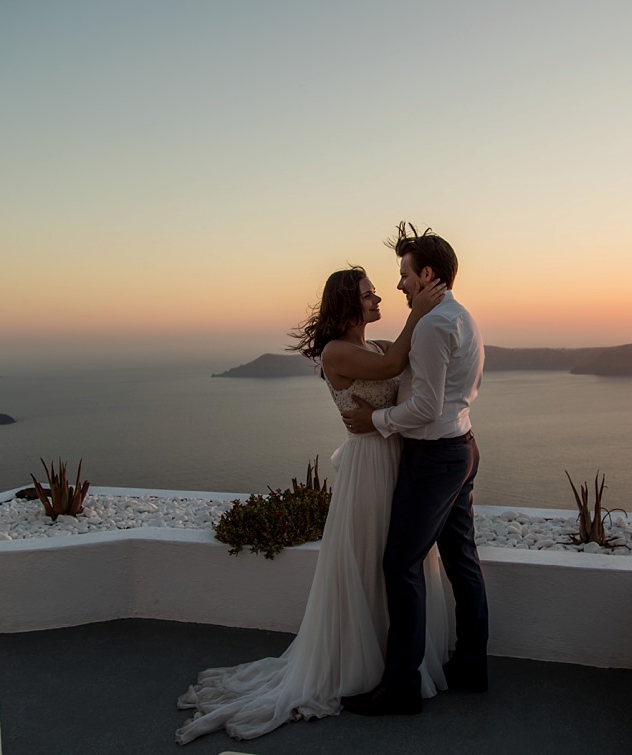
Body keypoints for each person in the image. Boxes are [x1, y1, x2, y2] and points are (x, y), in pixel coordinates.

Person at [173, 266, 454, 743]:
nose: (377, 298)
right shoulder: (337, 352)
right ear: (347, 303)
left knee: (399, 561)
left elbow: (405, 370)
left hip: (396, 461)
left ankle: (398, 660)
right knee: (369, 559)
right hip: (368, 468)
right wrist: (421, 312)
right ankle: (361, 668)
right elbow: (391, 371)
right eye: (368, 295)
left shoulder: (377, 345)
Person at [338, 223, 492, 717]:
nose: (400, 285)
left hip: (433, 459)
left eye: (404, 275)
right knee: (462, 561)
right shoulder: (462, 316)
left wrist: (374, 419)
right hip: (463, 447)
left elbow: (424, 407)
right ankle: (471, 665)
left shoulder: (430, 325)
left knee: (399, 565)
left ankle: (401, 686)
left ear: (426, 274)